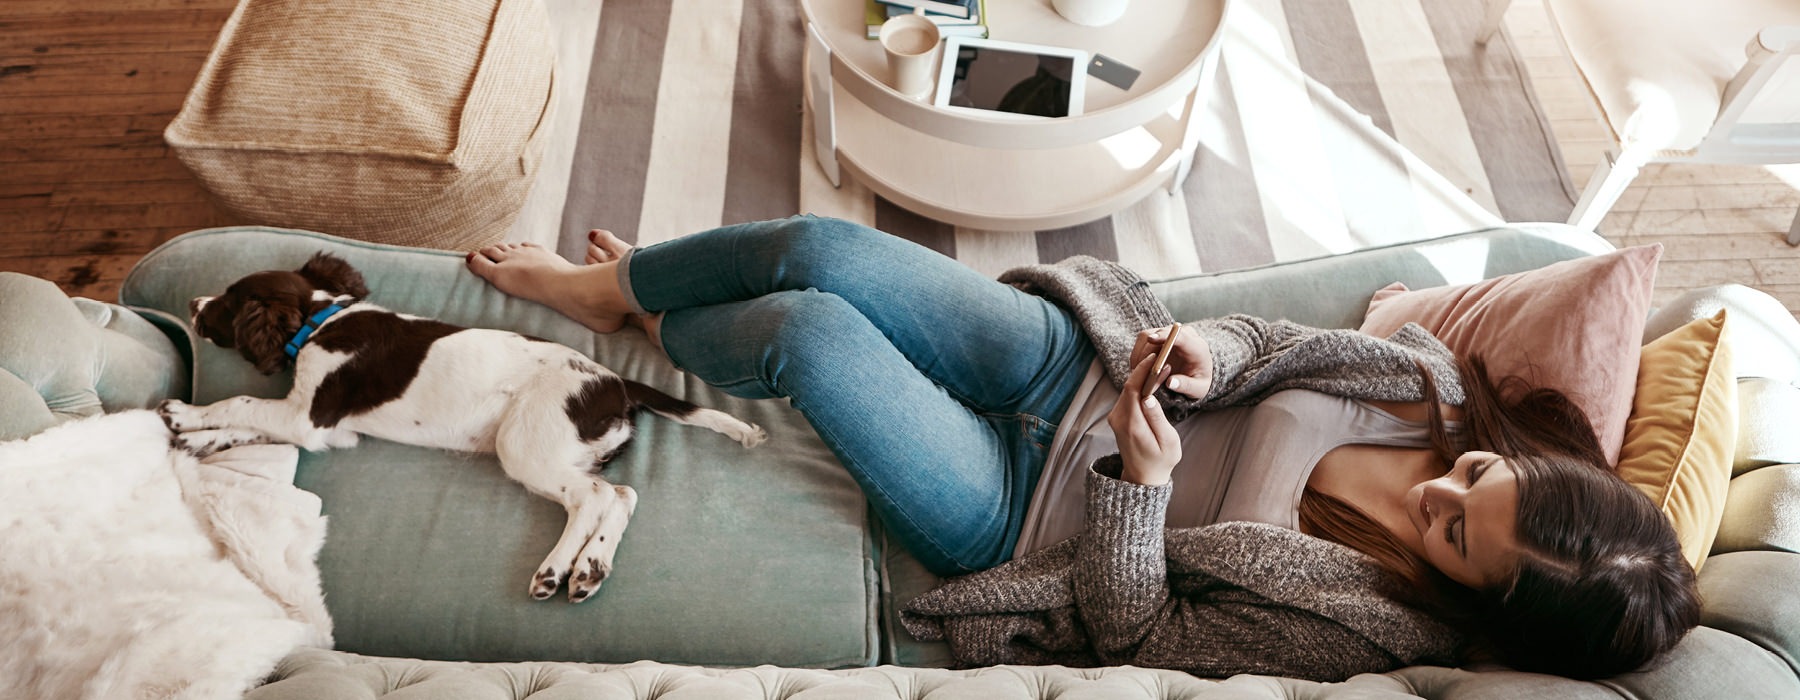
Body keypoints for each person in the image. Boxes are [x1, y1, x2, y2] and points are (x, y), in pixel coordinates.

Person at [465, 215, 1699, 682]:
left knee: (806, 331)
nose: (1442, 488)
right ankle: (613, 289)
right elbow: (1271, 342)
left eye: (1451, 533)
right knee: (823, 250)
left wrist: (1143, 488)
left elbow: (1143, 635)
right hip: (1073, 366)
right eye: (1482, 479)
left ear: (1473, 600)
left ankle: (663, 320)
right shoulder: (1431, 385)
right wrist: (1211, 353)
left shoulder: (1366, 626)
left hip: (1021, 512)